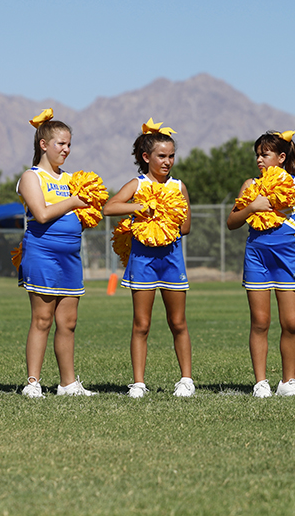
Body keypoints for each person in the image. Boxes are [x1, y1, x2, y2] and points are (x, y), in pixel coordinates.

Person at [227, 131, 295, 398]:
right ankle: (261, 383)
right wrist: (251, 207)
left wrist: (292, 222)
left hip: (285, 260)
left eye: (265, 154)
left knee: (291, 323)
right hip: (257, 258)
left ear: (281, 157)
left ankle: (288, 382)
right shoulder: (251, 184)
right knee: (260, 322)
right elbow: (231, 222)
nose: (259, 160)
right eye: (258, 155)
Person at [104, 120, 194, 398]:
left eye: (171, 156)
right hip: (142, 260)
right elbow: (109, 207)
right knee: (141, 324)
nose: (168, 162)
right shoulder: (137, 184)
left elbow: (187, 226)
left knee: (177, 322)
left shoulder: (178, 186)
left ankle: (186, 380)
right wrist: (141, 208)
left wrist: (166, 220)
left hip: (172, 260)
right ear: (146, 157)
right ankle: (138, 383)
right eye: (161, 156)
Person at [17, 109, 95, 398]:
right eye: (61, 143)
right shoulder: (31, 177)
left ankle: (68, 383)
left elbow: (81, 217)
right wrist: (73, 202)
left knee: (68, 322)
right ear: (43, 144)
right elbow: (40, 214)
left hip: (70, 257)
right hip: (42, 254)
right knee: (42, 320)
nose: (66, 150)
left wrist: (85, 214)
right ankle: (33, 382)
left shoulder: (73, 178)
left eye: (69, 144)